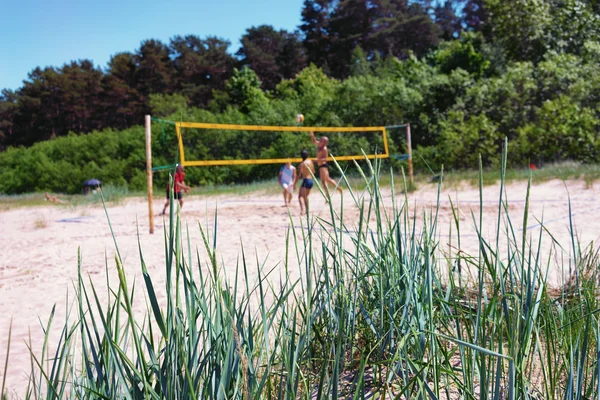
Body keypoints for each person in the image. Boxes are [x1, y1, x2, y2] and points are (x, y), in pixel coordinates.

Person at [310, 131, 342, 196]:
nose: (320, 140)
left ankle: (328, 195)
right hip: (321, 165)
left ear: (324, 142)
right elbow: (314, 141)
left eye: (322, 140)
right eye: (321, 139)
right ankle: (339, 189)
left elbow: (325, 159)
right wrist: (312, 134)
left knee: (324, 181)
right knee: (327, 179)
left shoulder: (324, 149)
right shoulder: (319, 145)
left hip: (323, 165)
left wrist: (316, 160)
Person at [294, 149, 315, 215]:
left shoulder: (302, 164)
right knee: (305, 196)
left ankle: (302, 210)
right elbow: (313, 171)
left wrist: (294, 183)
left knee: (300, 196)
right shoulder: (311, 162)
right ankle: (307, 210)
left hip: (306, 180)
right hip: (311, 180)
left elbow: (299, 175)